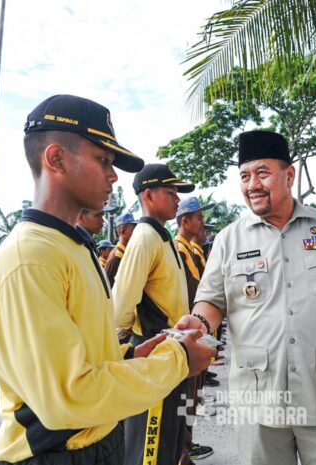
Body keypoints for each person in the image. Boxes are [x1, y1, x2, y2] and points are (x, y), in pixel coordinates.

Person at [0, 95, 215, 465]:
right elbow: (69, 397)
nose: (113, 175)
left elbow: (82, 350)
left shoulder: (72, 245)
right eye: (103, 160)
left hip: (97, 440)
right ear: (56, 159)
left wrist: (130, 355)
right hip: (55, 453)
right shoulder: (29, 258)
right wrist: (179, 359)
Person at [179, 130, 316, 465]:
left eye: (262, 173)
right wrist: (199, 322)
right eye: (244, 176)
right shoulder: (228, 239)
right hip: (259, 398)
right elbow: (212, 300)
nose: (252, 185)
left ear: (289, 175)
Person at [113, 163, 209, 465]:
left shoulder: (160, 237)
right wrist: (136, 341)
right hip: (154, 350)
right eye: (170, 192)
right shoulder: (144, 238)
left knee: (168, 439)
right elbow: (121, 305)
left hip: (171, 349)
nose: (177, 199)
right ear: (149, 195)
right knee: (149, 445)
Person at [174, 197, 216, 462]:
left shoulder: (190, 251)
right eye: (198, 218)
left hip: (197, 331)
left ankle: (186, 446)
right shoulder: (178, 250)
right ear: (184, 221)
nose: (202, 223)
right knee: (185, 397)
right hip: (185, 332)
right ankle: (182, 453)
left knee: (192, 396)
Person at [103, 212, 138, 286]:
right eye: (133, 230)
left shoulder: (125, 253)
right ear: (123, 231)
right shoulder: (115, 258)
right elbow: (107, 286)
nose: (136, 233)